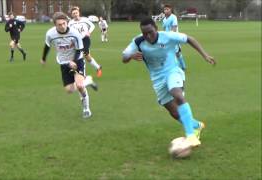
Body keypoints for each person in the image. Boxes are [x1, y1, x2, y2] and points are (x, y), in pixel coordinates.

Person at [122, 17, 216, 147]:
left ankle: (191, 136)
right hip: (157, 78)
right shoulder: (138, 41)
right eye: (144, 33)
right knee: (174, 112)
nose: (148, 36)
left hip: (172, 71)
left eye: (150, 32)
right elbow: (124, 58)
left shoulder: (167, 36)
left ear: (156, 28)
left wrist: (205, 55)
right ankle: (196, 125)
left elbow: (190, 39)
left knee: (177, 94)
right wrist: (130, 56)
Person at [41, 12, 98, 119]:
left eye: (64, 23)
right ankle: (88, 80)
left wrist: (74, 61)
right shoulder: (50, 34)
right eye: (59, 24)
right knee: (69, 90)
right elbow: (47, 46)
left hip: (78, 60)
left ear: (67, 22)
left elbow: (79, 49)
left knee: (80, 86)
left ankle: (86, 109)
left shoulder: (74, 33)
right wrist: (43, 59)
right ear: (55, 25)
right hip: (63, 63)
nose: (62, 26)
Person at [69, 6, 103, 78]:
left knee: (83, 54)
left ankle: (81, 73)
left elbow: (92, 26)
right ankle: (98, 67)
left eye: (76, 13)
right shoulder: (70, 23)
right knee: (87, 57)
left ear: (79, 13)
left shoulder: (84, 20)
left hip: (85, 39)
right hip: (76, 41)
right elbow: (69, 32)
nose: (75, 14)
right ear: (72, 15)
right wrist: (71, 41)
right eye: (73, 13)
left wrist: (89, 32)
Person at [162, 4, 186, 71]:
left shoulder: (173, 17)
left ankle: (183, 66)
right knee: (169, 53)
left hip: (174, 38)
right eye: (165, 9)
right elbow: (164, 29)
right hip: (167, 39)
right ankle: (176, 67)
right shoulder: (164, 19)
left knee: (177, 53)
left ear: (170, 10)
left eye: (167, 9)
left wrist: (170, 35)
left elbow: (174, 28)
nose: (166, 11)